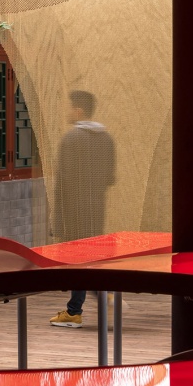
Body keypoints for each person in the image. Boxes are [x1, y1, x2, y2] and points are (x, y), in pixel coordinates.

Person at [49, 90, 116, 328]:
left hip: (73, 212)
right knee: (89, 259)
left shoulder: (71, 140)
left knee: (79, 261)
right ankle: (93, 301)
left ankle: (76, 311)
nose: (67, 112)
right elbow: (110, 178)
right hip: (96, 210)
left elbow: (64, 182)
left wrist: (59, 222)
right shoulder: (106, 139)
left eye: (69, 107)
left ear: (78, 111)